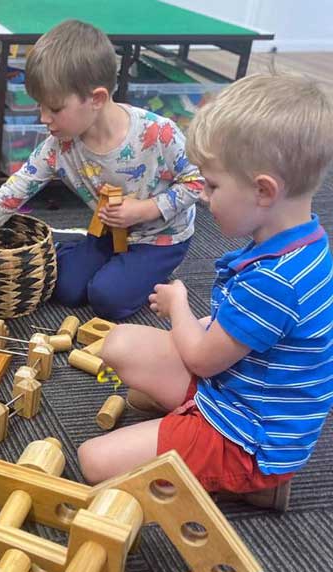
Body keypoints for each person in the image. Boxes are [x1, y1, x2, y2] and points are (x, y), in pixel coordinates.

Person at [77, 74, 333, 511]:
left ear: (264, 190)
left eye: (212, 186)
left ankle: (253, 483)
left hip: (246, 438)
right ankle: (186, 429)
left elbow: (200, 358)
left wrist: (179, 306)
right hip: (237, 389)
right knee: (118, 342)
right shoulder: (300, 242)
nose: (204, 197)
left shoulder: (276, 281)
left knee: (93, 460)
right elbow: (237, 334)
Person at [0, 20, 203, 320]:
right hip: (107, 234)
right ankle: (81, 252)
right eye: (40, 107)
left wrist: (146, 209)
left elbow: (197, 182)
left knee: (107, 298)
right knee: (65, 287)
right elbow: (14, 190)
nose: (44, 118)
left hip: (161, 238)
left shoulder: (160, 133)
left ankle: (154, 273)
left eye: (55, 109)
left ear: (96, 99)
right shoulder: (58, 145)